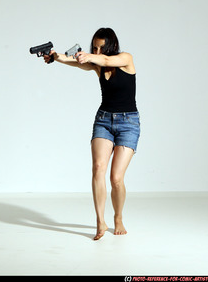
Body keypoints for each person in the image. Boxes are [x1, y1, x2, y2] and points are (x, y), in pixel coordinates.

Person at [43, 27, 140, 240]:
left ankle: (118, 218)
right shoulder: (97, 66)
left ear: (111, 46)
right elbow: (73, 61)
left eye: (101, 48)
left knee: (116, 178)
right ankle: (100, 222)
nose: (96, 51)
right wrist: (55, 56)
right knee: (98, 168)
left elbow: (106, 61)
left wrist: (91, 56)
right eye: (94, 47)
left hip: (128, 123)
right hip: (104, 121)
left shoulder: (125, 59)